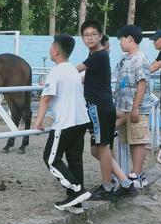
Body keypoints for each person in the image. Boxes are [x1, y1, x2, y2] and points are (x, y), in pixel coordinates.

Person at [77, 20, 135, 200]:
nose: (90, 38)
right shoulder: (96, 55)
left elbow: (75, 70)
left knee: (102, 147)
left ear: (100, 36)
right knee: (97, 150)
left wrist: (55, 77)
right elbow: (85, 77)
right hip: (101, 106)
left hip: (99, 106)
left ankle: (107, 187)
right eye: (86, 35)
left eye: (93, 34)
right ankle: (125, 182)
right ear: (82, 38)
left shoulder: (98, 55)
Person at [34, 34, 91, 213]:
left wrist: (38, 123)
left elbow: (45, 99)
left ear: (56, 50)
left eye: (51, 46)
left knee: (51, 159)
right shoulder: (72, 70)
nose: (50, 49)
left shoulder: (56, 71)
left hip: (65, 123)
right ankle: (76, 204)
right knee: (75, 161)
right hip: (81, 121)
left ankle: (76, 190)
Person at [114, 25, 153, 188]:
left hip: (137, 108)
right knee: (130, 140)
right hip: (123, 108)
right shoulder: (124, 60)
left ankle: (136, 174)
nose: (120, 43)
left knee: (138, 141)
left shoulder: (140, 59)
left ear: (130, 38)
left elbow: (142, 84)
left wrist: (136, 107)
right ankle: (131, 173)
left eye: (121, 39)